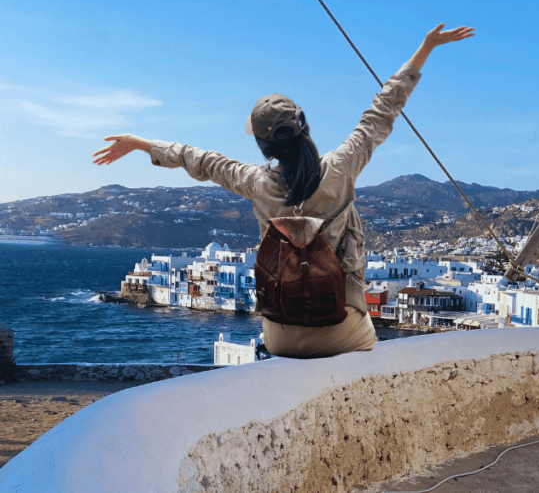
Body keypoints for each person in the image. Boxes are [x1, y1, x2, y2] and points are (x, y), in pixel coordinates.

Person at [93, 23, 474, 358]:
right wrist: (425, 48)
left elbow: (202, 159)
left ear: (264, 147)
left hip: (280, 335)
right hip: (342, 329)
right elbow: (381, 111)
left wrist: (142, 144)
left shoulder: (258, 184)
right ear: (304, 128)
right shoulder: (341, 169)